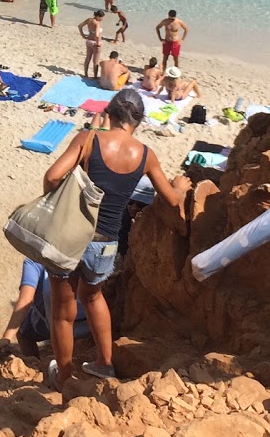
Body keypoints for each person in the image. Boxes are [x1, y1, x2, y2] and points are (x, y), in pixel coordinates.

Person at [44, 92, 191, 384]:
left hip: (73, 235)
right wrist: (181, 187)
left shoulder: (88, 140)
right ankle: (104, 364)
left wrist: (59, 201)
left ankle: (63, 375)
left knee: (64, 308)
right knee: (93, 296)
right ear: (138, 123)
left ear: (108, 114)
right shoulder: (146, 155)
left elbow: (52, 176)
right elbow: (172, 200)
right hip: (106, 243)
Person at [1, 258, 89, 356]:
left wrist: (7, 338)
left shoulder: (34, 261)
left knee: (23, 331)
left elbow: (26, 301)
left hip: (52, 327)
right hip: (89, 326)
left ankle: (34, 364)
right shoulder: (90, 255)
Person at [79, 10, 105, 79]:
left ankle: (86, 74)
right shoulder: (97, 23)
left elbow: (80, 26)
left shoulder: (89, 20)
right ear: (98, 16)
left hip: (88, 41)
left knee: (88, 58)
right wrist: (98, 43)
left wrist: (83, 35)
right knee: (96, 61)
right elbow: (97, 35)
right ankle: (95, 76)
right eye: (102, 17)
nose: (102, 19)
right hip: (95, 42)